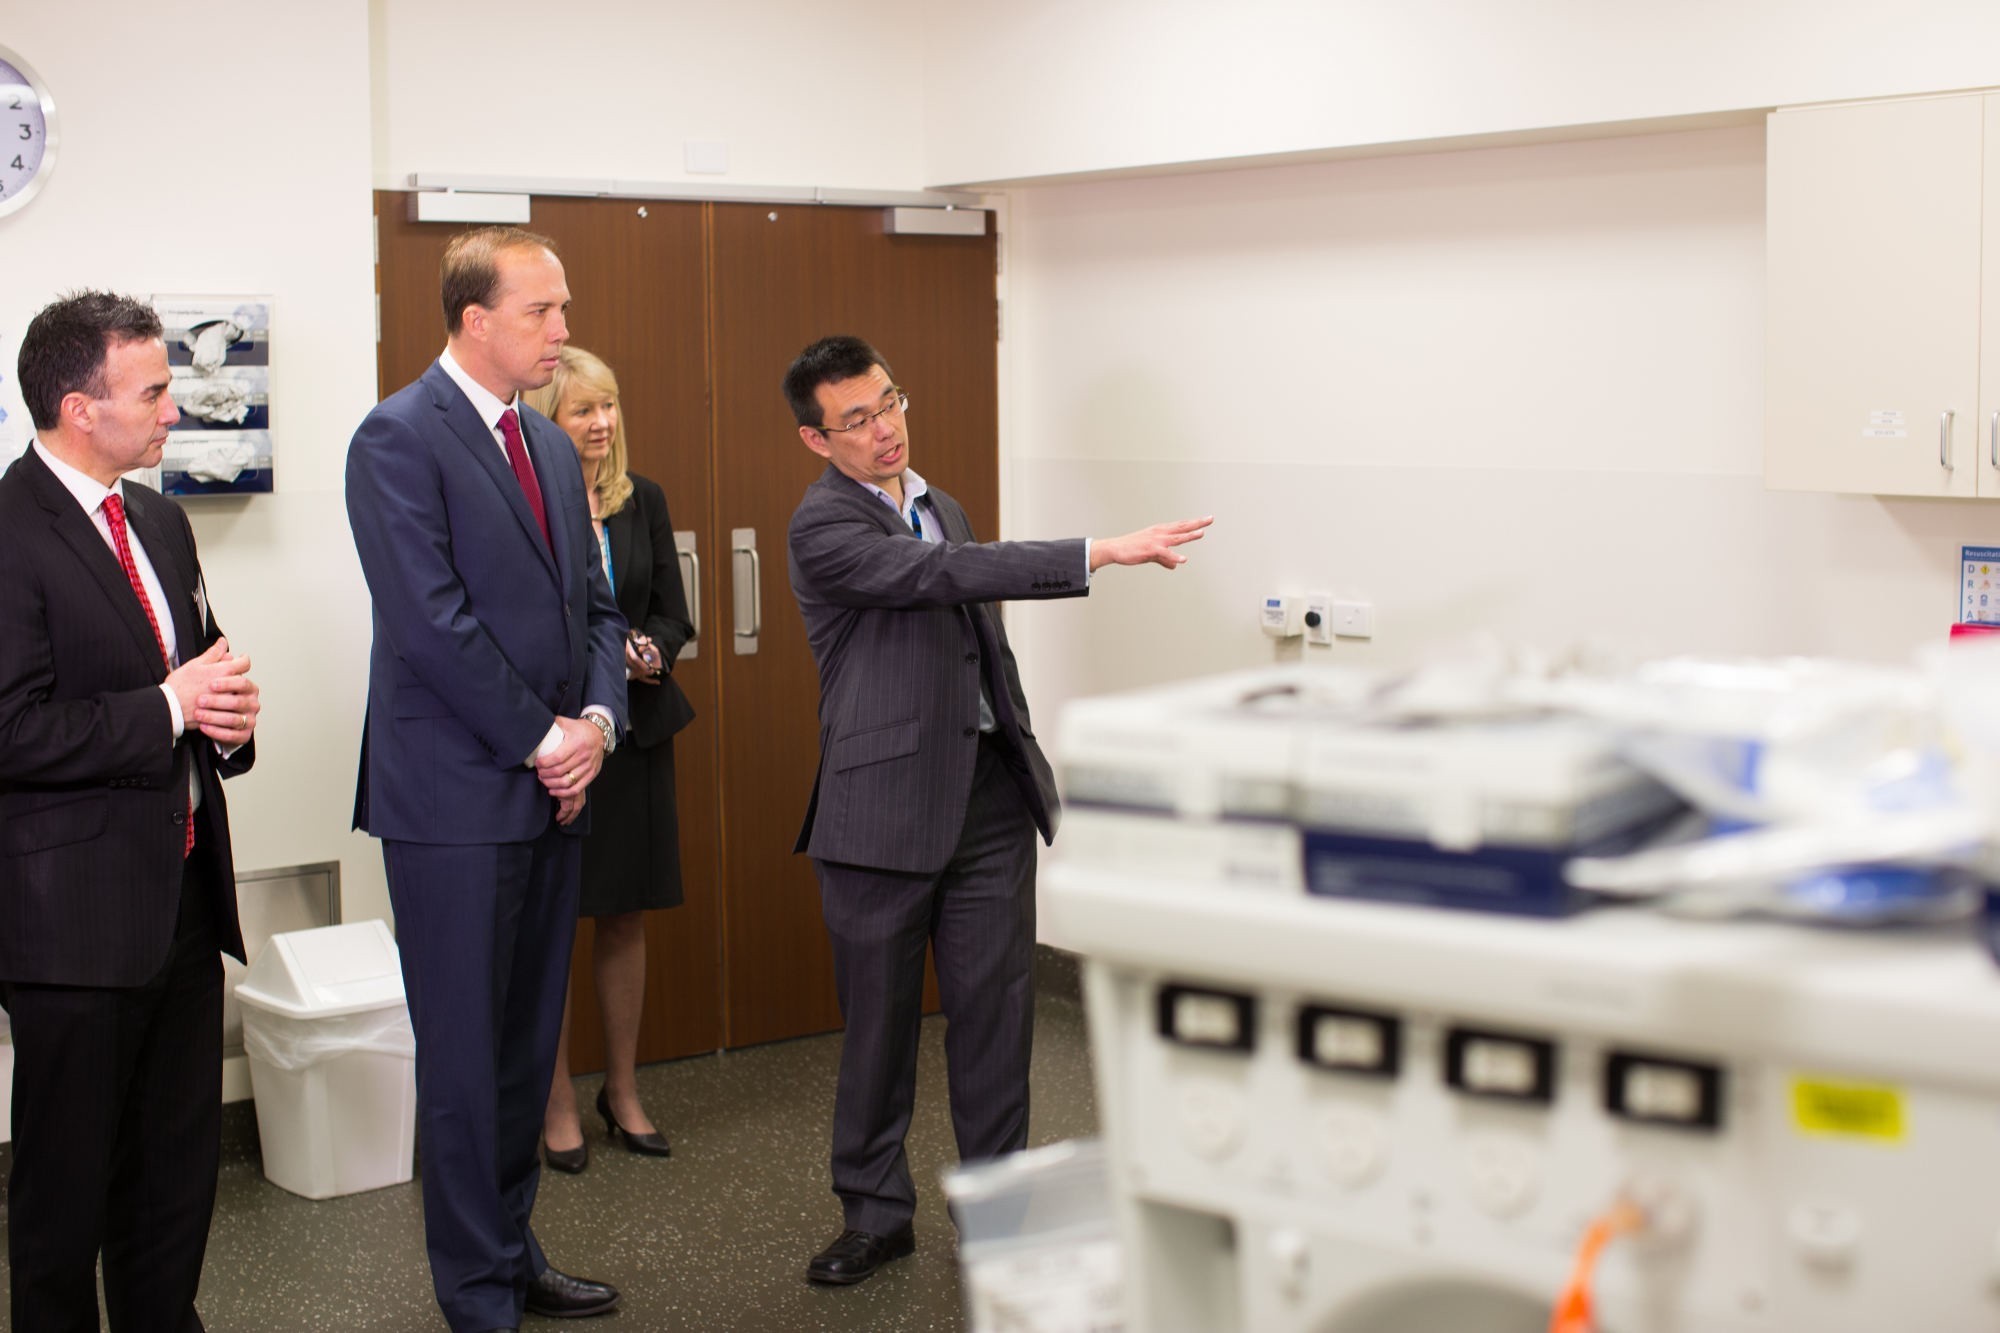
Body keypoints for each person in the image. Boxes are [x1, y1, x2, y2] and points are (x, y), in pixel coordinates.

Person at [781, 334, 1211, 1285]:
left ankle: (1002, 1212)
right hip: (881, 812)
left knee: (996, 1018)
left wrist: (1016, 751)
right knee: (879, 1030)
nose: (884, 428)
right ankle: (875, 1212)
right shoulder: (821, 528)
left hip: (984, 801)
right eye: (856, 420)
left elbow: (980, 643)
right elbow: (941, 578)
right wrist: (1096, 551)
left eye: (890, 402)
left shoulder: (941, 503)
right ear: (818, 439)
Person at [345, 227, 629, 1332]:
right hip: (454, 800)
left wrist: (596, 723)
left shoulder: (552, 449)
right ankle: (474, 1294)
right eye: (542, 312)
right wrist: (541, 740)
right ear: (476, 320)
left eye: (561, 310)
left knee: (522, 1053)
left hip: (552, 786)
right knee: (465, 1062)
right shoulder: (397, 438)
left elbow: (596, 612)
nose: (563, 331)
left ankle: (511, 1253)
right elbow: (429, 625)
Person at [0, 290, 261, 1330]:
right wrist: (165, 708)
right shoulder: (8, 533)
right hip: (69, 925)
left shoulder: (157, 517)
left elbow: (197, 673)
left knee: (171, 1186)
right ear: (78, 408)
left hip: (185, 900)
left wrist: (228, 721)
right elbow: (11, 732)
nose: (173, 412)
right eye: (152, 392)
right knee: (64, 1202)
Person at [525, 347, 695, 1172]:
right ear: (546, 419)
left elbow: (672, 610)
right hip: (556, 744)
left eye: (610, 407)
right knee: (553, 924)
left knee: (624, 916)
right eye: (581, 410)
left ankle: (621, 1091)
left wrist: (649, 653)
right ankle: (555, 1100)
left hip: (634, 734)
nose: (600, 424)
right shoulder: (527, 500)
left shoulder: (641, 500)